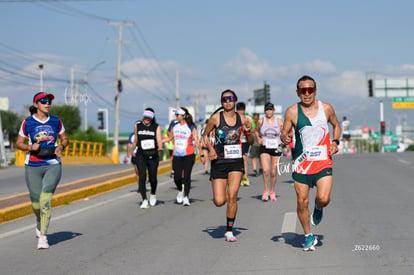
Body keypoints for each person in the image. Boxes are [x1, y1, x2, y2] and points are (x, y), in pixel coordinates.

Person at [281, 75, 341, 251]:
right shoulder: (292, 111)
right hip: (301, 163)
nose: (307, 94)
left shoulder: (327, 108)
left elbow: (336, 125)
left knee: (323, 198)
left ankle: (318, 207)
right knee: (301, 201)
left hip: (323, 161)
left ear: (315, 90)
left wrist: (335, 141)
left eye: (310, 90)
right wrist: (284, 137)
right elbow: (284, 132)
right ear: (298, 92)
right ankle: (308, 235)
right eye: (303, 90)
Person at [15, 92, 69, 249]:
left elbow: (65, 138)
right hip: (32, 165)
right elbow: (18, 143)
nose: (47, 103)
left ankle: (43, 237)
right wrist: (30, 147)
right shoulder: (28, 123)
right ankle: (39, 221)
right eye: (43, 101)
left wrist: (61, 146)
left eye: (49, 101)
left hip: (53, 163)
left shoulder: (56, 121)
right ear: (36, 104)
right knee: (36, 205)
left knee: (45, 200)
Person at [202, 89, 253, 242]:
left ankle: (229, 231)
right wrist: (210, 149)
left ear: (235, 101)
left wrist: (249, 133)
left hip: (236, 162)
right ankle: (220, 196)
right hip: (219, 161)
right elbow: (205, 135)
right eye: (224, 99)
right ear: (221, 102)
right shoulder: (215, 118)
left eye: (230, 98)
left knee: (232, 196)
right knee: (219, 201)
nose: (228, 101)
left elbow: (250, 142)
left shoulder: (243, 119)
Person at [163, 107, 202, 206]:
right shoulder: (174, 126)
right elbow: (170, 138)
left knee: (187, 177)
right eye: (175, 114)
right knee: (177, 177)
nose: (176, 116)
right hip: (177, 155)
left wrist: (201, 153)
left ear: (183, 116)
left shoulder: (191, 126)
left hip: (189, 155)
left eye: (177, 115)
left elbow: (196, 140)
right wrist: (159, 141)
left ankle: (186, 197)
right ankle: (180, 190)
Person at [131, 108, 163, 209]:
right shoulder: (138, 126)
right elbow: (136, 139)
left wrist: (160, 146)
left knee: (153, 178)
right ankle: (144, 199)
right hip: (141, 153)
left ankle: (153, 193)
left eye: (149, 117)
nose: (147, 119)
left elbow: (158, 138)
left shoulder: (156, 127)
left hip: (153, 154)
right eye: (145, 116)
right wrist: (132, 150)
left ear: (152, 118)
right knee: (142, 176)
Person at [255, 102, 284, 201]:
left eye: (270, 109)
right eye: (267, 110)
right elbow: (256, 130)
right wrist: (259, 138)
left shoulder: (279, 121)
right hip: (265, 147)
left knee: (273, 171)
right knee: (266, 170)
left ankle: (272, 191)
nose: (269, 111)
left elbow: (285, 132)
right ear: (265, 111)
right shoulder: (261, 121)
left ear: (273, 111)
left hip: (277, 147)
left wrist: (284, 141)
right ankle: (266, 190)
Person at [236, 102, 254, 186]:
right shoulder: (234, 117)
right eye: (239, 110)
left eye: (242, 110)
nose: (240, 112)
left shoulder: (248, 118)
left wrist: (247, 131)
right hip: (236, 142)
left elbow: (253, 128)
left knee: (244, 158)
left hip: (244, 141)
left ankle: (245, 177)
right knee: (236, 160)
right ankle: (237, 178)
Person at [249, 112, 261, 177]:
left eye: (257, 118)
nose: (255, 119)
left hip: (260, 143)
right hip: (253, 143)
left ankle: (261, 168)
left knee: (260, 157)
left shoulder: (261, 123)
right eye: (254, 118)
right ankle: (254, 169)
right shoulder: (251, 123)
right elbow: (249, 130)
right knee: (253, 157)